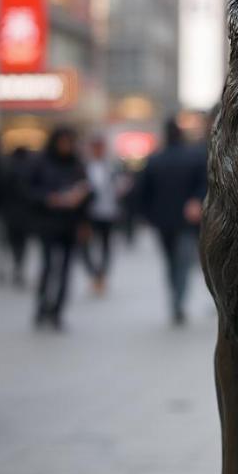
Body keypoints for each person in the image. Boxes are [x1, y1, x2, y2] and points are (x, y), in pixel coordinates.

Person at [138, 117, 207, 325]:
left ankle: (175, 299)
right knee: (183, 263)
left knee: (171, 262)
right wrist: (196, 201)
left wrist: (148, 216)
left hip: (162, 221)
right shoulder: (194, 157)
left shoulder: (154, 159)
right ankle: (178, 300)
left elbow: (142, 192)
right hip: (186, 221)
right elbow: (205, 184)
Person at [29, 127, 90, 330]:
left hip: (70, 223)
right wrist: (49, 198)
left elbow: (88, 191)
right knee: (48, 267)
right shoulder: (42, 163)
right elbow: (28, 190)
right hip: (48, 222)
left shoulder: (77, 164)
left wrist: (80, 198)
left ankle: (57, 310)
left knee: (65, 270)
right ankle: (41, 306)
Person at [81, 135, 122, 295]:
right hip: (90, 213)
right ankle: (94, 274)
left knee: (106, 245)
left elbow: (119, 187)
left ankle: (102, 275)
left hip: (108, 212)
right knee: (87, 247)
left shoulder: (111, 167)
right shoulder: (85, 167)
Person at [0, 146, 35, 287]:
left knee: (11, 241)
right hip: (23, 213)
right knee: (21, 243)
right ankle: (18, 266)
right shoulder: (28, 170)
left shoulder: (6, 169)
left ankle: (12, 266)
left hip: (9, 212)